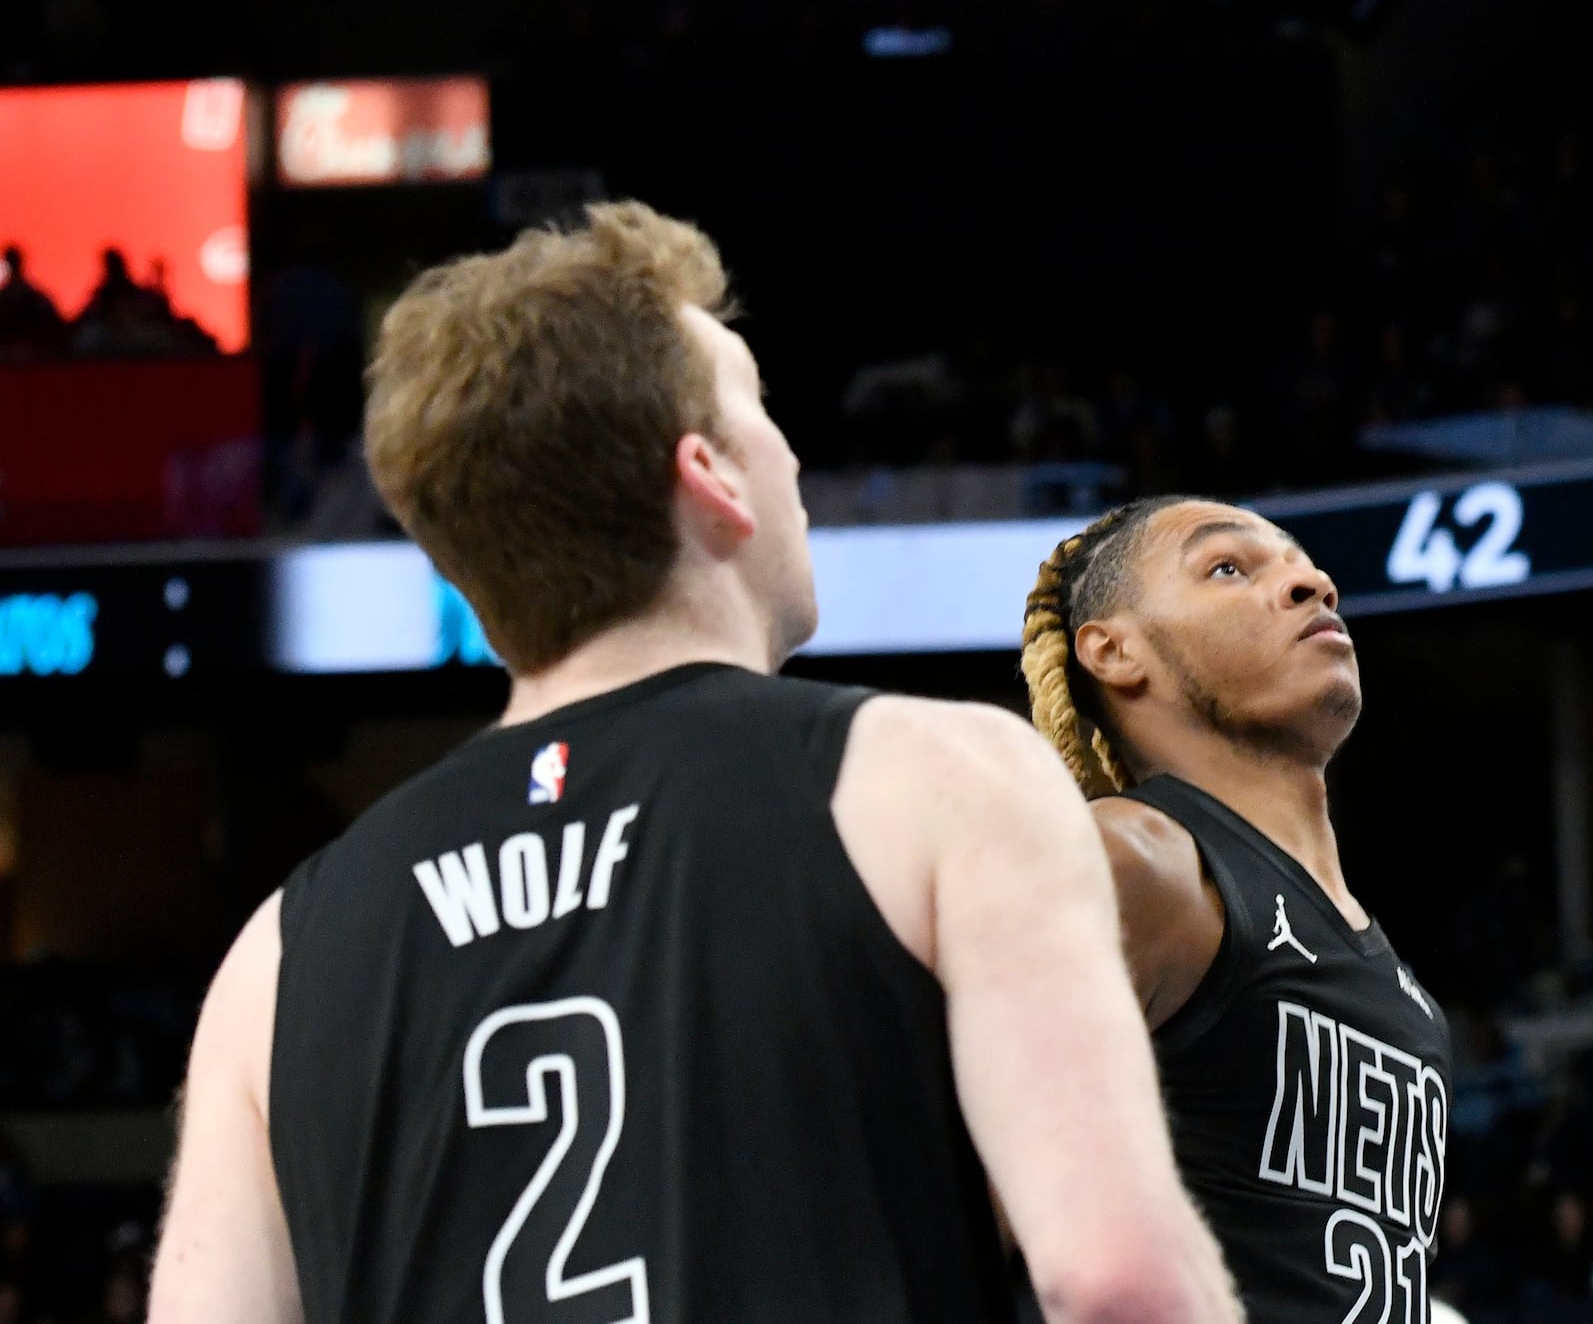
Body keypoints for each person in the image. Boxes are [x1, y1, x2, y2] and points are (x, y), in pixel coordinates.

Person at [146, 204, 1231, 1324]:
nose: (793, 452)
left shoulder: (274, 958)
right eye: (760, 405)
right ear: (709, 473)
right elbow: (1121, 1284)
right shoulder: (940, 780)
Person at [1017, 494, 1453, 1322]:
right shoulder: (1136, 861)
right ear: (1115, 652)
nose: (1311, 583)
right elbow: (928, 1205)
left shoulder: (1390, 974)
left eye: (1302, 564)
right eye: (1228, 568)